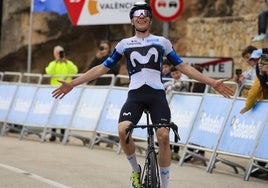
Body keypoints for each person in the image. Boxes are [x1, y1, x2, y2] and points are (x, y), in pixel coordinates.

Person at [51, 2, 233, 188]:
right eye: (137, 14)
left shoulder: (162, 41)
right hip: (135, 96)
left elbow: (183, 66)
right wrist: (73, 83)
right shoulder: (124, 44)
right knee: (123, 130)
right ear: (132, 20)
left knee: (163, 136)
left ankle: (164, 184)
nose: (142, 16)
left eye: (146, 13)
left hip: (157, 96)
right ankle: (135, 171)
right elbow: (102, 68)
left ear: (150, 19)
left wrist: (212, 82)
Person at [240, 52, 268, 177]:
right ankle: (260, 165)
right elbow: (255, 90)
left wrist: (248, 106)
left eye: (264, 63)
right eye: (260, 64)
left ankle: (261, 166)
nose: (261, 66)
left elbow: (254, 92)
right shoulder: (259, 75)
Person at [45, 45, 78, 142]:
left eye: (61, 52)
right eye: (58, 53)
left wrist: (66, 61)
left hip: (66, 93)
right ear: (54, 54)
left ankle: (63, 135)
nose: (60, 54)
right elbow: (49, 72)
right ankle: (53, 134)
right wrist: (56, 61)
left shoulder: (68, 63)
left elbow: (75, 70)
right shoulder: (53, 64)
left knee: (64, 112)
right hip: (55, 91)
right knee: (54, 113)